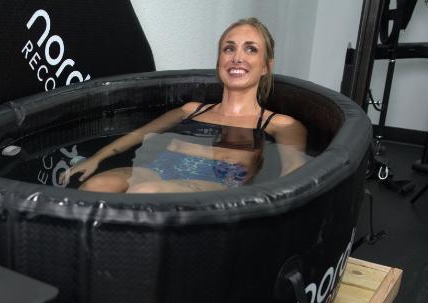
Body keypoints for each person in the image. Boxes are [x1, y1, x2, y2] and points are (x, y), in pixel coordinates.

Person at [59, 18, 307, 193]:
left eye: (251, 49)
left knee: (146, 193)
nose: (237, 57)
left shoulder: (279, 123)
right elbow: (139, 134)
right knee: (95, 187)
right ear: (219, 59)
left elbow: (294, 171)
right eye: (228, 48)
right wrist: (96, 158)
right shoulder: (192, 109)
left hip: (218, 185)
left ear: (266, 66)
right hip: (159, 170)